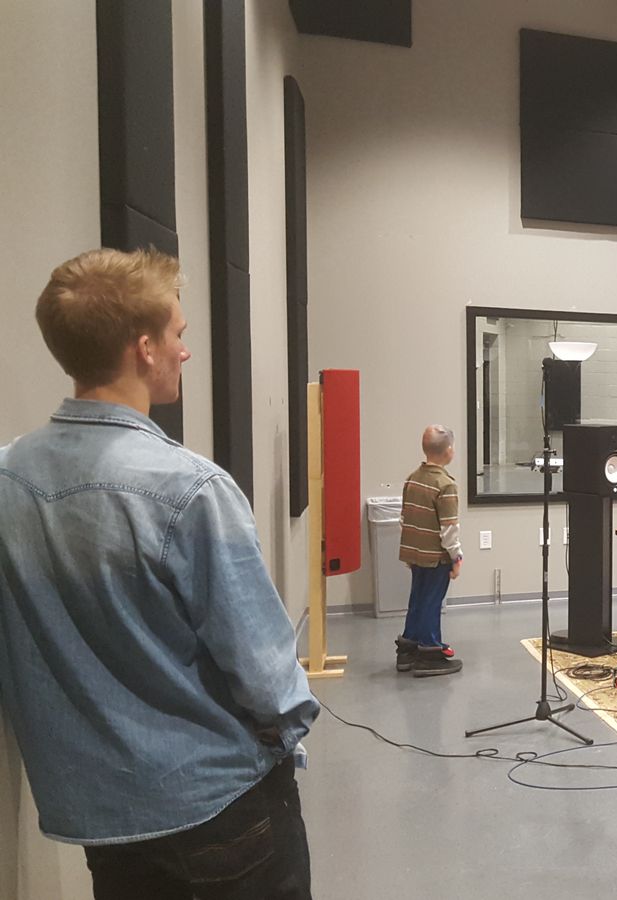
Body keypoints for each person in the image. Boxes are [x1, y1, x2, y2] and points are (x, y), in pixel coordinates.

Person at [0, 247, 319, 897]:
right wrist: (287, 737)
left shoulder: (7, 479)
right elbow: (266, 677)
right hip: (218, 804)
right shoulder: (190, 489)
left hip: (102, 819)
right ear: (144, 349)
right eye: (178, 333)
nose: (186, 350)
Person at [397, 425, 464, 677]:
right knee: (432, 602)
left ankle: (408, 648)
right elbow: (449, 529)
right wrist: (456, 558)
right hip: (436, 558)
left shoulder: (412, 478)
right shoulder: (445, 485)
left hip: (415, 553)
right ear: (449, 451)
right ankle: (429, 652)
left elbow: (404, 518)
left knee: (417, 598)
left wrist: (411, 550)